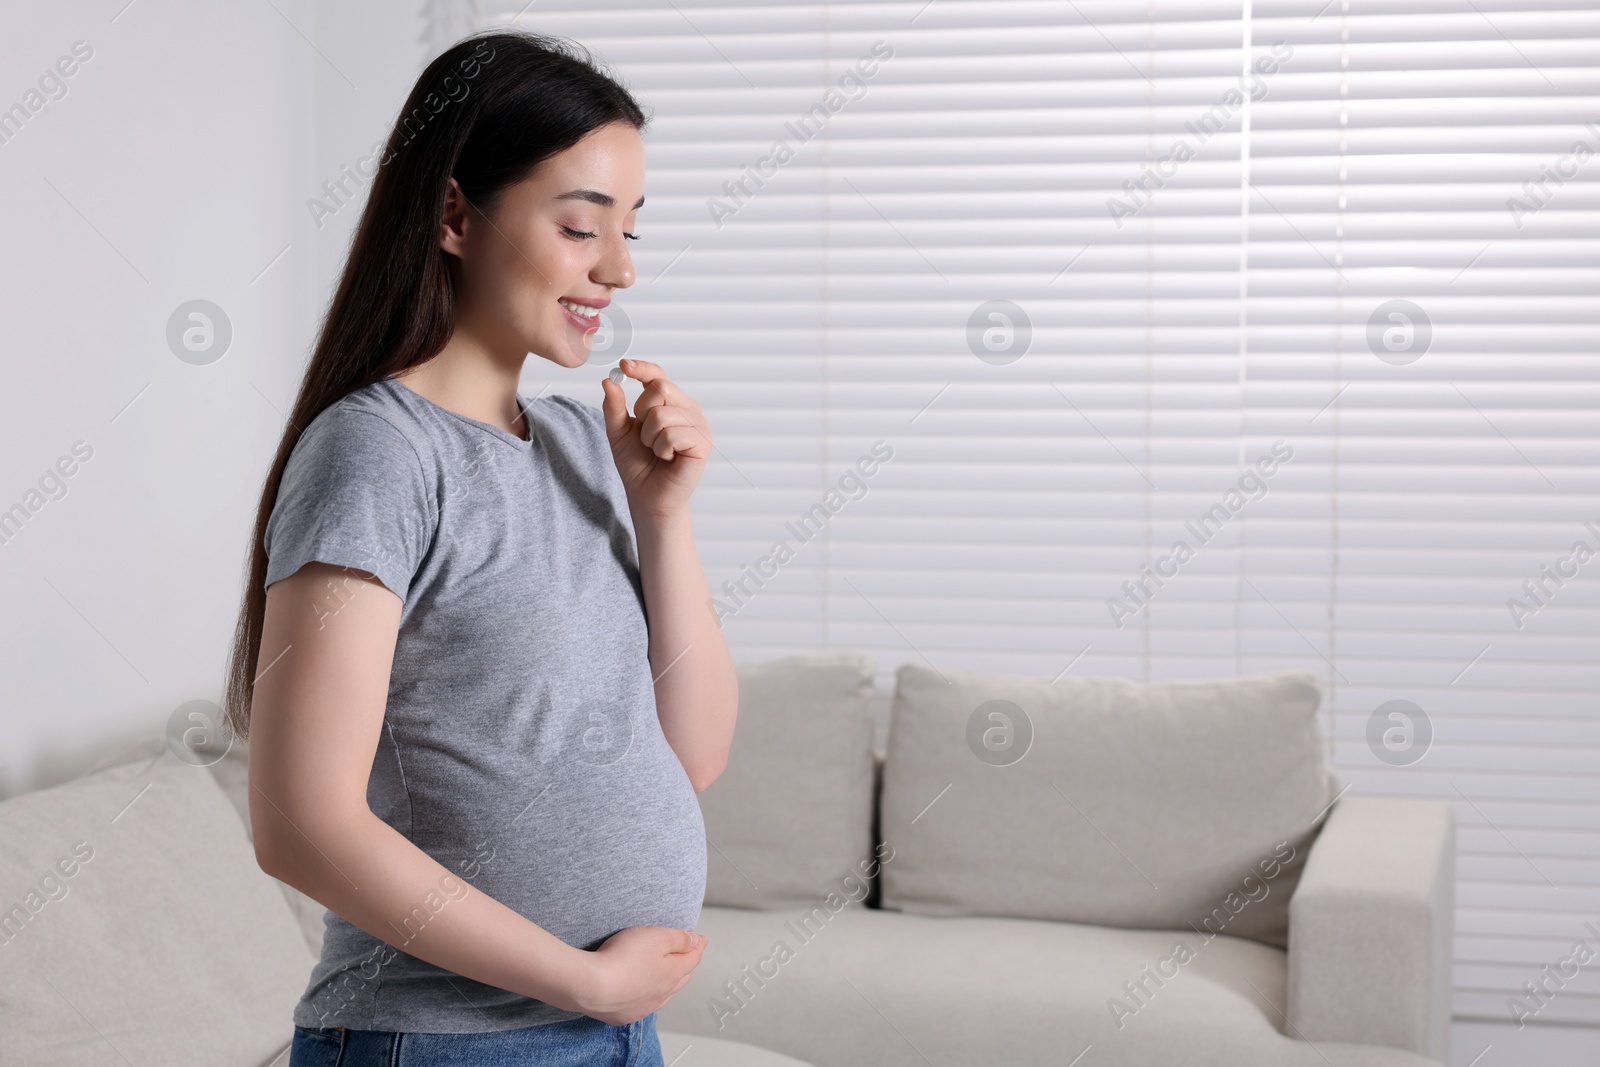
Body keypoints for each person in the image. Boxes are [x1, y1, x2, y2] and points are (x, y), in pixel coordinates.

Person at [223, 29, 737, 1066]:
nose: (621, 267)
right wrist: (584, 976)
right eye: (584, 226)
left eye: (631, 229)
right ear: (455, 213)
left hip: (608, 1031)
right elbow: (298, 821)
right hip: (447, 1040)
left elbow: (688, 756)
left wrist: (663, 515)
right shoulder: (378, 453)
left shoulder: (579, 442)